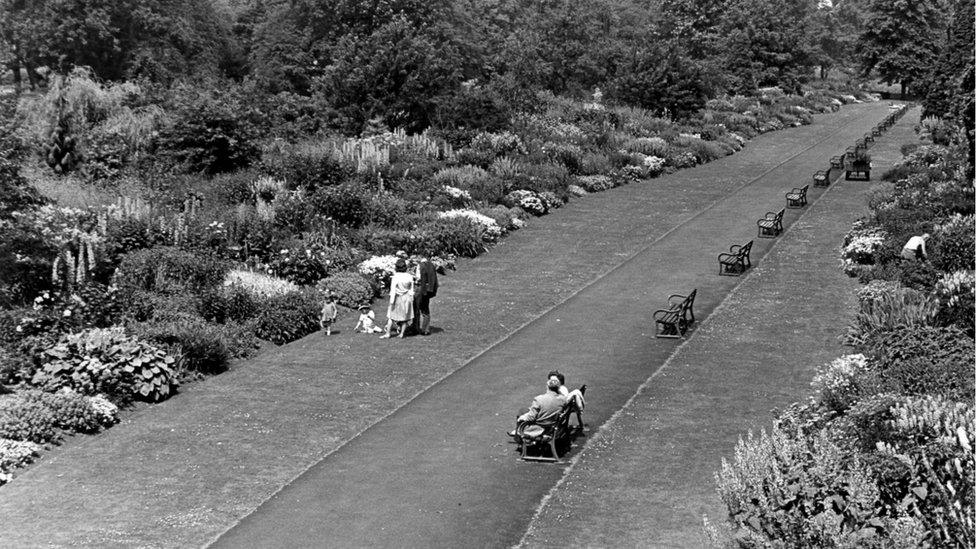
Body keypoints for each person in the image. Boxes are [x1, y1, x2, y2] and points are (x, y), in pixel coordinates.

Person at [381, 258, 414, 339]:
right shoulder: (409, 276)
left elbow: (393, 290)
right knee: (405, 317)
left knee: (391, 316)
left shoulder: (395, 277)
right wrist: (411, 298)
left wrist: (391, 301)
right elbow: (411, 289)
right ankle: (402, 334)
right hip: (407, 298)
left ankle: (388, 333)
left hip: (398, 298)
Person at [412, 254, 438, 336]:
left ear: (419, 257)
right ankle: (425, 329)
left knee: (416, 308)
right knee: (425, 309)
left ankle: (415, 328)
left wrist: (412, 276)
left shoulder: (420, 266)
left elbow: (418, 278)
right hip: (428, 290)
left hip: (420, 288)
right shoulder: (431, 265)